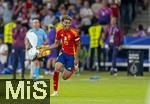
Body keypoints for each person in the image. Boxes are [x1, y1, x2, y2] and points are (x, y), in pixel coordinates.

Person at [44, 15, 80, 96]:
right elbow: (56, 44)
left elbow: (78, 46)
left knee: (64, 77)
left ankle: (73, 68)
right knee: (56, 68)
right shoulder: (59, 32)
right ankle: (55, 92)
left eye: (69, 23)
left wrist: (76, 59)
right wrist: (46, 48)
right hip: (63, 53)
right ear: (62, 22)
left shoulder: (74, 33)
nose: (67, 24)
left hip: (71, 55)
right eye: (66, 22)